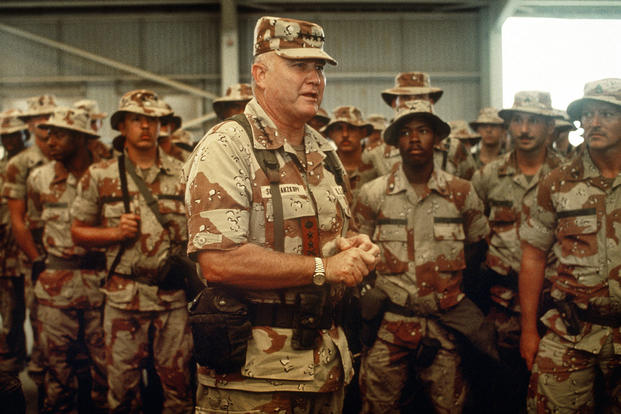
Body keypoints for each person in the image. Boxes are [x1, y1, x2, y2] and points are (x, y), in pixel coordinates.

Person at [183, 16, 379, 413]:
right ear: (260, 74)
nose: (314, 79)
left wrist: (350, 245)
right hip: (254, 380)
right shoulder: (227, 147)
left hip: (326, 368)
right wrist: (326, 267)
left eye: (319, 68)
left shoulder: (324, 151)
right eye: (298, 65)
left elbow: (323, 237)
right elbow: (219, 262)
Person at [355, 100, 489, 413]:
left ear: (437, 138)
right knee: (377, 407)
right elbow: (359, 251)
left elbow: (476, 246)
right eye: (405, 132)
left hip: (445, 326)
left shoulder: (461, 192)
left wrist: (450, 291)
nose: (414, 138)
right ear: (395, 141)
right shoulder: (373, 194)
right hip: (390, 325)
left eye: (423, 130)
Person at [71, 89, 193, 413]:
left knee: (179, 391)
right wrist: (114, 232)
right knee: (122, 393)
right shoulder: (100, 175)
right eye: (136, 120)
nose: (145, 127)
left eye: (152, 120)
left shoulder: (183, 173)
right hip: (124, 298)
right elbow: (77, 231)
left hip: (172, 300)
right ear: (122, 126)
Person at [519, 78, 621, 413]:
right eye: (588, 114)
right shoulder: (558, 182)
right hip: (572, 331)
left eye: (606, 113)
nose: (594, 122)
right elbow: (533, 256)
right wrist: (528, 330)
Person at [471, 91, 566, 411]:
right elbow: (473, 234)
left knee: (555, 388)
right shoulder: (487, 176)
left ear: (550, 127)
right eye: (518, 121)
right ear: (509, 125)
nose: (524, 129)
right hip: (500, 302)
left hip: (555, 305)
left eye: (534, 121)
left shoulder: (566, 177)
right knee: (501, 388)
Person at [27, 107, 108, 413]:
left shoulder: (107, 176)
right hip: (55, 289)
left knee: (106, 366)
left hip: (100, 285)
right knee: (56, 367)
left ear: (81, 138)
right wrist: (41, 260)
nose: (50, 141)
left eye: (60, 135)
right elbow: (34, 224)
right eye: (49, 135)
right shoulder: (40, 178)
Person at [3, 95, 57, 402]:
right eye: (38, 118)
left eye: (49, 115)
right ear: (29, 124)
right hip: (34, 258)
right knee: (37, 325)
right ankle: (41, 391)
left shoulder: (70, 154)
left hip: (71, 258)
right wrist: (37, 260)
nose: (44, 122)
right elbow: (17, 220)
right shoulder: (20, 164)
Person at [364, 71, 477, 181]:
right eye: (406, 98)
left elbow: (471, 192)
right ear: (394, 103)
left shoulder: (454, 149)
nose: (413, 103)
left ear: (431, 102)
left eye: (420, 97)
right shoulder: (375, 154)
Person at [0, 110, 28, 378]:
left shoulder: (33, 164)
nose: (9, 140)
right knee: (10, 314)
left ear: (25, 134)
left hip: (31, 254)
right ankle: (12, 363)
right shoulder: (3, 167)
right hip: (6, 258)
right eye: (4, 136)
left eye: (13, 134)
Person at [322, 105, 375, 199]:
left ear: (363, 132)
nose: (345, 135)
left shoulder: (376, 164)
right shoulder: (322, 168)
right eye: (339, 129)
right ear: (330, 134)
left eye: (351, 128)